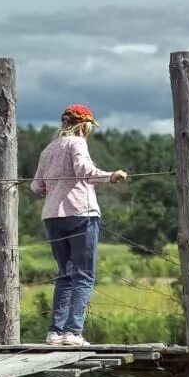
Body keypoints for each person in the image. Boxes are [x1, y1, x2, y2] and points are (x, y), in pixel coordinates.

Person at [31, 104, 127, 346]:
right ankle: (74, 332)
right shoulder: (77, 143)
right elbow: (85, 170)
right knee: (84, 275)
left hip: (53, 216)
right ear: (83, 125)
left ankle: (55, 332)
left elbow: (36, 187)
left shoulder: (48, 149)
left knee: (65, 275)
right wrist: (111, 176)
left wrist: (55, 188)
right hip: (81, 214)